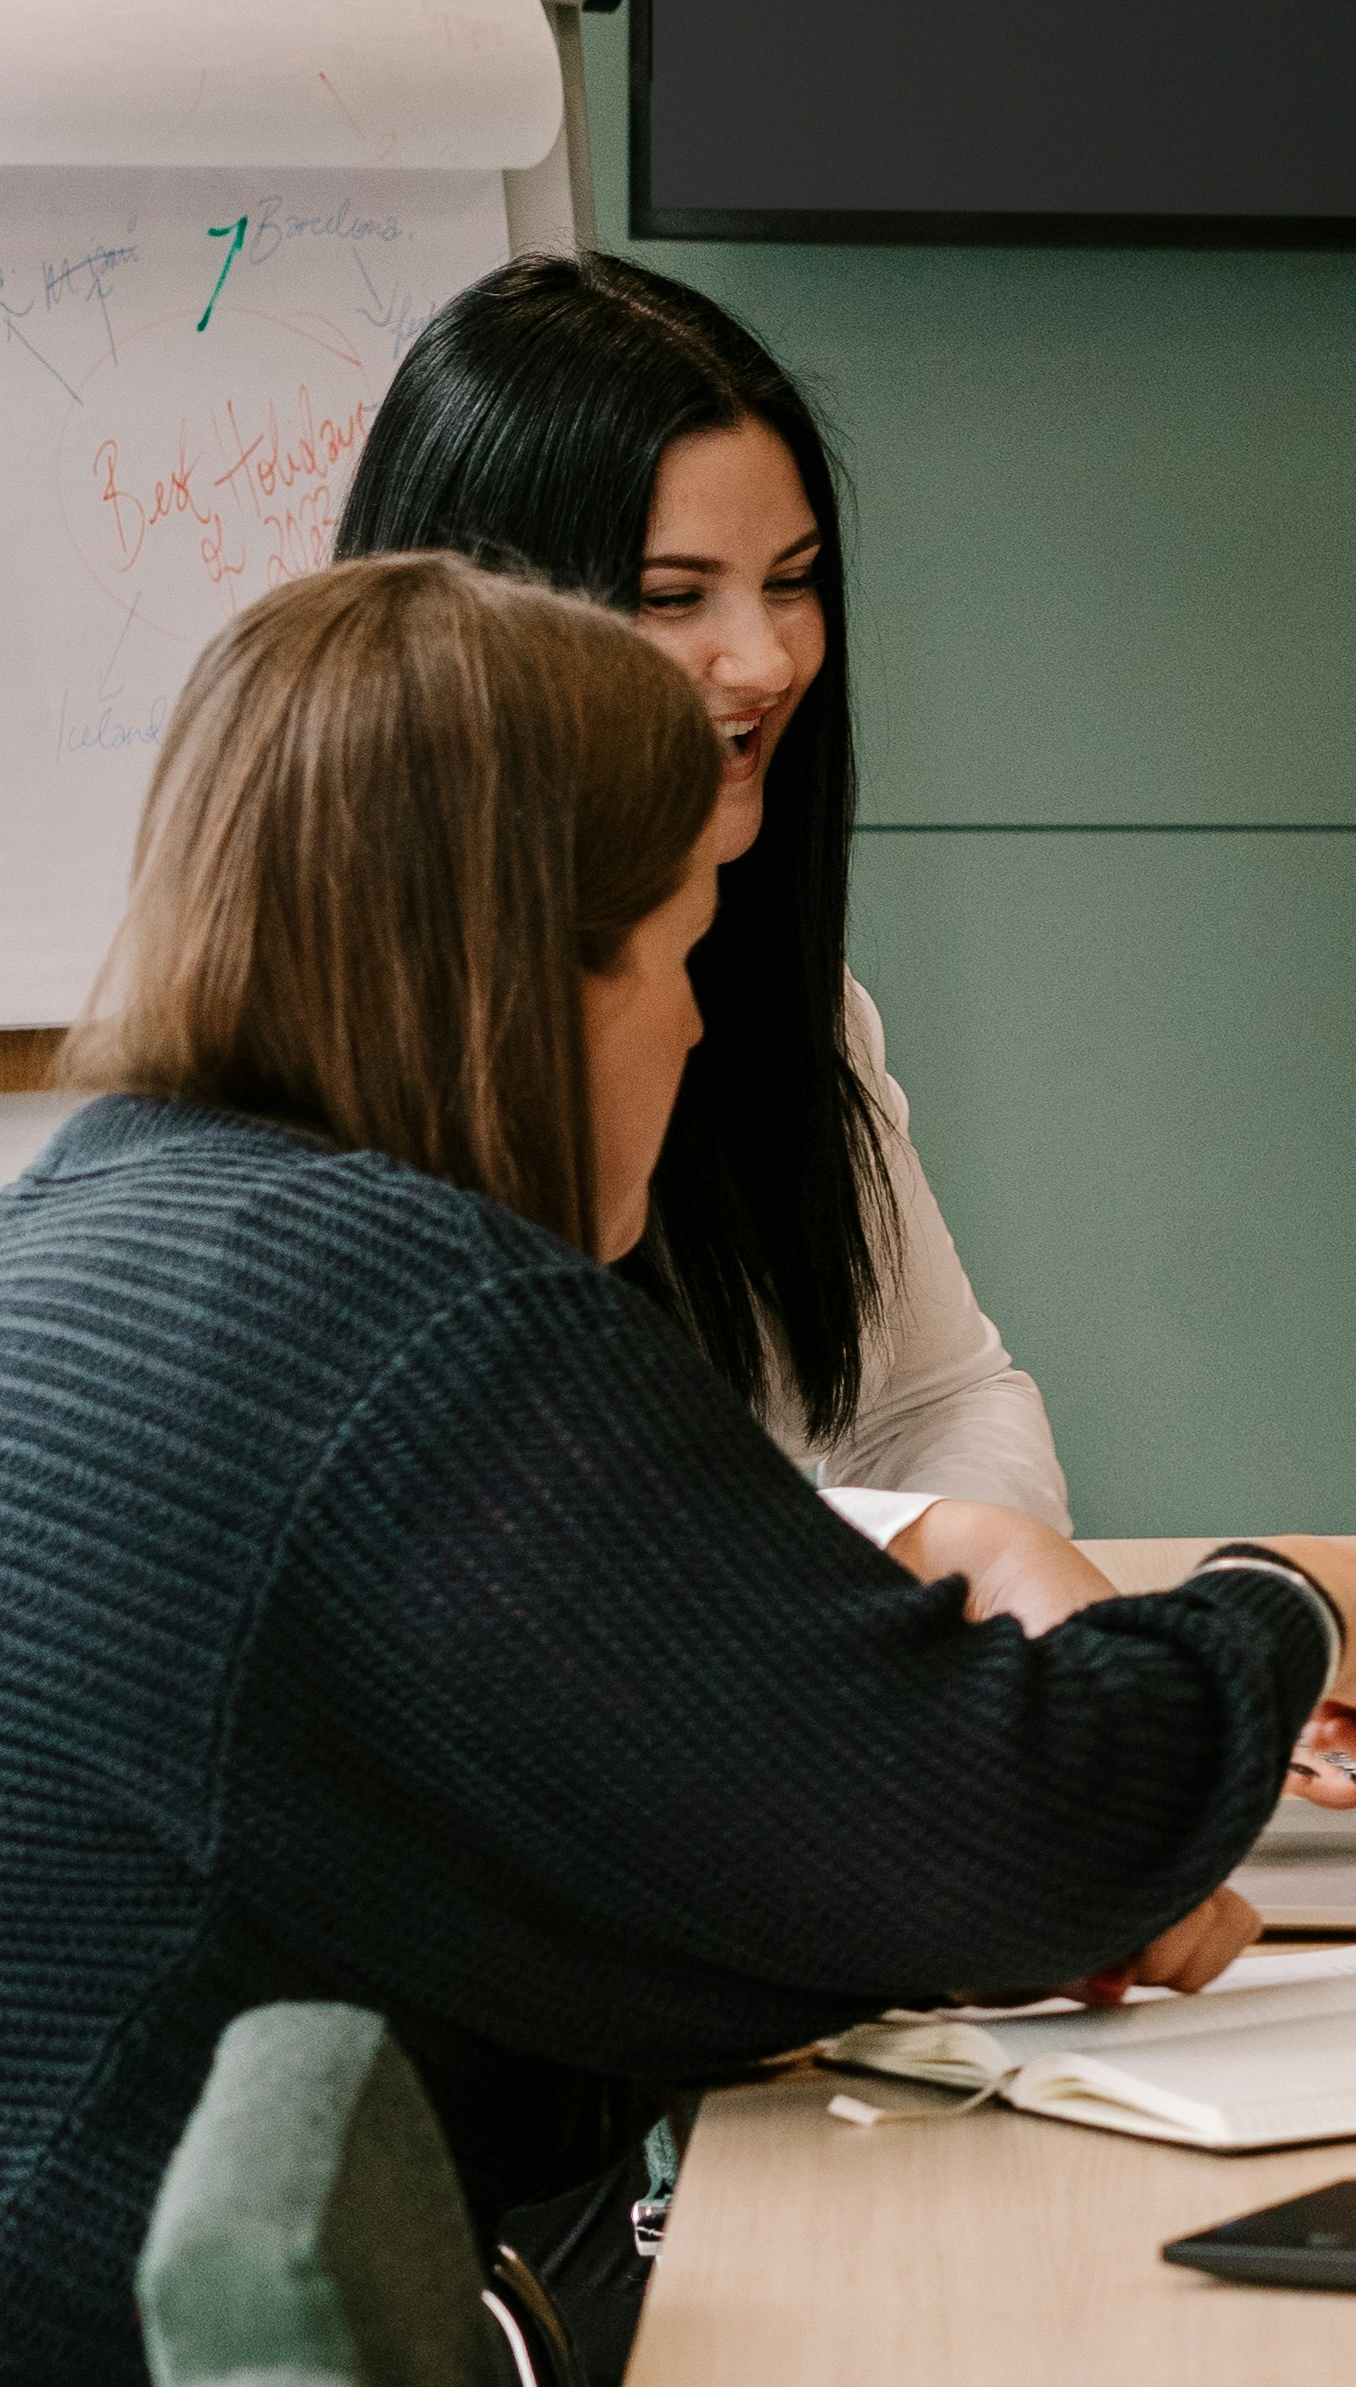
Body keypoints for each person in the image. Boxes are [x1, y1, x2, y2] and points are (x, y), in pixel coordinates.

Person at [0, 557, 1356, 2387]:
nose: (692, 1019)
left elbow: (726, 1815)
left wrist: (902, 1885)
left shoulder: (130, 1223)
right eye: (672, 947)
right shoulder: (401, 1317)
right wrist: (1287, 1602)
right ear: (517, 977)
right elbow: (1003, 1812)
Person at [335, 251, 1094, 1617]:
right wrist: (948, 1569)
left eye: (793, 581)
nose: (766, 662)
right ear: (479, 628)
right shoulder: (359, 1080)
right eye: (674, 597)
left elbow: (943, 1395)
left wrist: (983, 1600)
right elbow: (563, 1572)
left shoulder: (775, 981)